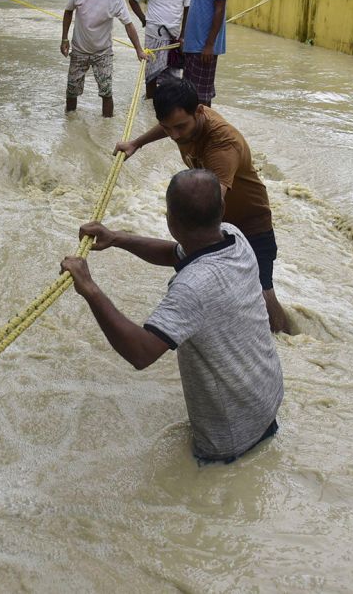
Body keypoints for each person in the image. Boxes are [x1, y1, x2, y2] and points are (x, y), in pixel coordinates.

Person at [60, 169, 283, 463]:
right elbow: (174, 254)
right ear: (221, 210)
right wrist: (116, 239)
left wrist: (89, 288)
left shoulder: (192, 286)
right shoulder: (234, 236)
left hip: (229, 438)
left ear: (170, 221)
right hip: (267, 400)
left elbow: (140, 352)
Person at [114, 77, 292, 334]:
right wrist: (136, 144)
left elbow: (212, 201)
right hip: (220, 221)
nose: (174, 136)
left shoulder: (221, 144)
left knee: (262, 289)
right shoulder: (186, 118)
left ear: (199, 112)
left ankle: (286, 340)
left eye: (180, 127)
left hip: (251, 221)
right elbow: (170, 125)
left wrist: (193, 237)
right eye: (168, 128)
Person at [62, 0, 148, 117]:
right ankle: (70, 123)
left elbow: (129, 25)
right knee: (72, 91)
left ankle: (107, 125)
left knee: (106, 92)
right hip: (79, 51)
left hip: (103, 53)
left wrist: (139, 50)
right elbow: (68, 12)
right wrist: (64, 38)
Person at [129, 0, 191, 99]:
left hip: (174, 39)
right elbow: (133, 0)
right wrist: (143, 19)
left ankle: (168, 107)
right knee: (151, 76)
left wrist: (183, 37)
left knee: (174, 80)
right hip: (152, 38)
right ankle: (150, 103)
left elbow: (187, 10)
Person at [180, 0, 227, 107]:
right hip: (194, 47)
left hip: (204, 49)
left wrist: (209, 45)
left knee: (201, 98)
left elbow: (220, 9)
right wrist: (185, 38)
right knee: (190, 95)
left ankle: (206, 133)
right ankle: (194, 134)